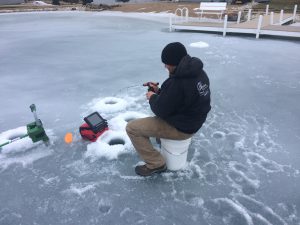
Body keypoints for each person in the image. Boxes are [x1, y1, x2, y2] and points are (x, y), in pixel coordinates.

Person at [126, 42, 211, 176]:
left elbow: (160, 109)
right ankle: (162, 139)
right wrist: (158, 91)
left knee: (132, 128)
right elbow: (178, 99)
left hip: (182, 128)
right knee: (161, 112)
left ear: (175, 63)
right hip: (193, 121)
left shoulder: (178, 82)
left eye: (167, 63)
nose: (165, 66)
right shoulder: (198, 72)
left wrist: (152, 96)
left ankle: (156, 164)